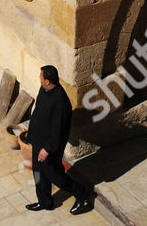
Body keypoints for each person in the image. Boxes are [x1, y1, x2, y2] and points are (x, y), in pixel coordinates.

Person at [25, 65, 95, 214]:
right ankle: (45, 201)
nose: (39, 79)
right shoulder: (44, 90)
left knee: (56, 176)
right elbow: (38, 113)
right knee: (38, 173)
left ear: (48, 81)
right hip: (38, 142)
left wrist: (47, 149)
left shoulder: (60, 101)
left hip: (49, 148)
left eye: (41, 77)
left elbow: (58, 129)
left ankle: (82, 192)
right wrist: (31, 136)